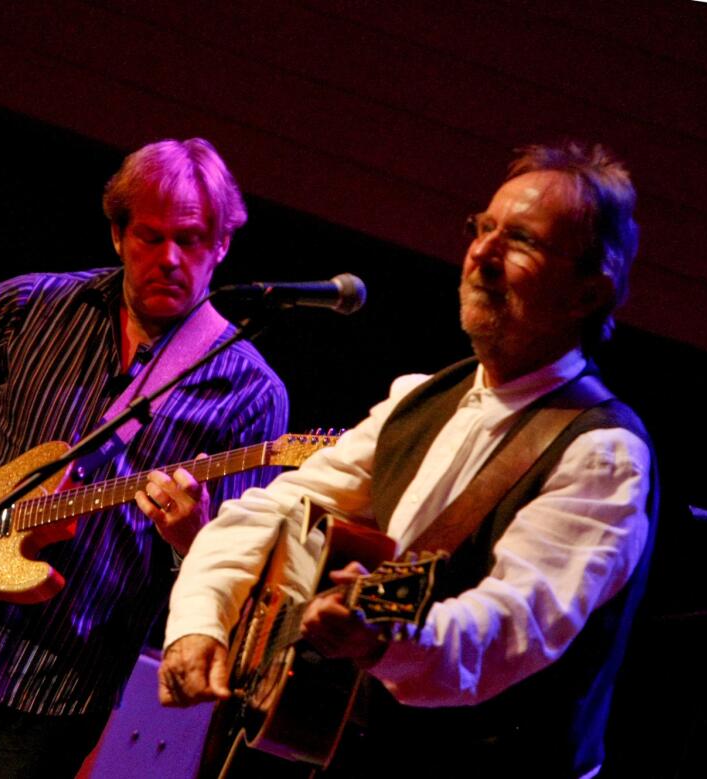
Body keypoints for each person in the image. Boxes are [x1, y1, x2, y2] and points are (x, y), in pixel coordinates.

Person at [160, 142, 656, 778]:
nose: (482, 254)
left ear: (589, 293)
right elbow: (273, 508)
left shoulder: (601, 454)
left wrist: (382, 634)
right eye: (483, 228)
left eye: (522, 240)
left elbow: (511, 624)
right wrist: (201, 618)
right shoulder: (422, 399)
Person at [0, 138, 289, 778]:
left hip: (51, 690)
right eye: (150, 237)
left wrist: (193, 539)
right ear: (118, 235)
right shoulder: (35, 306)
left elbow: (239, 583)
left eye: (191, 238)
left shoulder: (252, 395)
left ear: (222, 244)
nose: (170, 259)